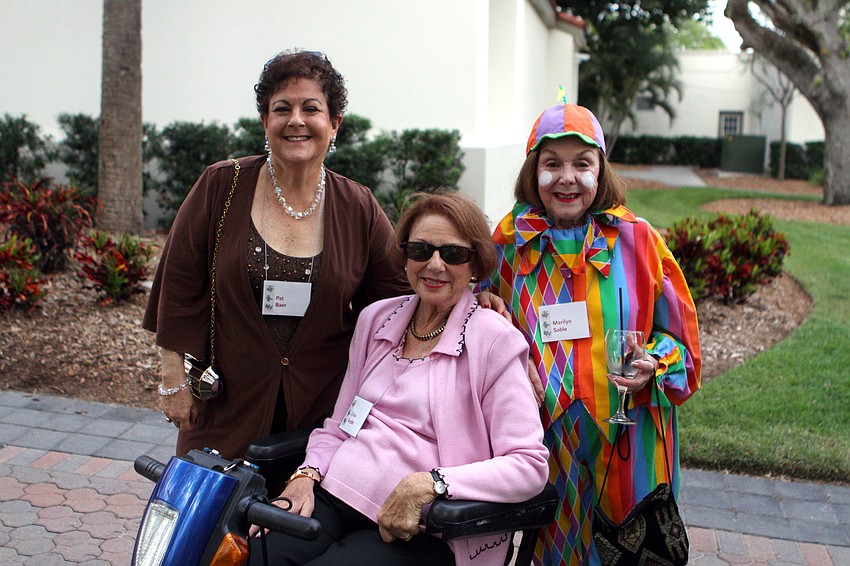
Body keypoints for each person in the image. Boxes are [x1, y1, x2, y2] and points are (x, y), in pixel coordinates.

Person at [251, 191, 549, 566]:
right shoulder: (377, 319)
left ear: (475, 263)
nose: (435, 265)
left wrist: (430, 483)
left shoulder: (495, 341)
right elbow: (340, 425)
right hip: (333, 492)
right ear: (405, 258)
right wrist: (305, 474)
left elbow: (528, 465)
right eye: (421, 250)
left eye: (453, 254)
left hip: (419, 526)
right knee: (258, 555)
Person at [143, 49, 410, 459]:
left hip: (318, 418)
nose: (296, 120)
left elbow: (399, 296)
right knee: (207, 519)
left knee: (293, 521)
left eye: (311, 108)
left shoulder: (358, 205)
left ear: (334, 124)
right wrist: (172, 378)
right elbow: (179, 281)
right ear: (266, 121)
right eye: (282, 108)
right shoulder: (222, 185)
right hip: (225, 406)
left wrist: (472, 299)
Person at [476, 103, 701, 564]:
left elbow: (685, 347)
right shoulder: (506, 244)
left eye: (582, 164)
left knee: (630, 551)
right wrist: (483, 306)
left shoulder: (640, 241)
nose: (567, 178)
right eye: (552, 164)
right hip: (543, 439)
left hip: (628, 436)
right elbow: (469, 314)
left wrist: (653, 364)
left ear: (601, 170)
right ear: (532, 171)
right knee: (554, 551)